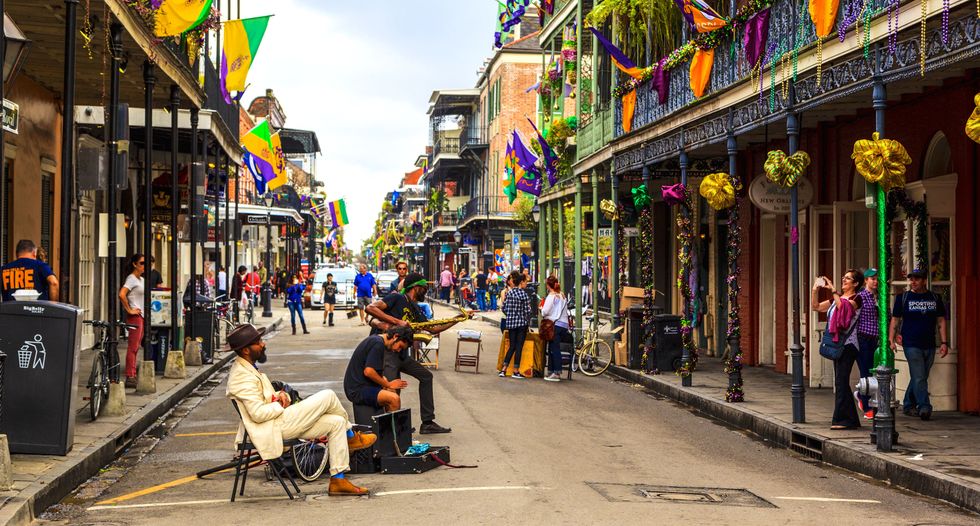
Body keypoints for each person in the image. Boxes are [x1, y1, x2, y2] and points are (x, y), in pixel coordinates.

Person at [224, 324, 374, 496]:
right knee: (328, 395)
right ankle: (351, 437)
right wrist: (280, 404)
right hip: (272, 427)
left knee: (337, 422)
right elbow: (257, 414)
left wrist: (280, 396)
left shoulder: (248, 368)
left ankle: (338, 480)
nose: (263, 344)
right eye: (258, 342)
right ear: (245, 350)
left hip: (277, 421)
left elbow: (263, 400)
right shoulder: (241, 377)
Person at [365, 273, 459, 434]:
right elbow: (370, 308)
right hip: (387, 351)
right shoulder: (396, 298)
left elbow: (433, 328)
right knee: (393, 388)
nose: (426, 292)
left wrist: (457, 318)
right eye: (424, 288)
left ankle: (427, 422)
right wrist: (396, 322)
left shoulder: (415, 307)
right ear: (416, 288)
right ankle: (394, 431)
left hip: (401, 353)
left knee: (425, 376)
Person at [889, 268, 949, 421]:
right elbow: (895, 319)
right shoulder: (903, 298)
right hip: (911, 343)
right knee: (919, 376)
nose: (913, 282)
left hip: (929, 343)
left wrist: (944, 342)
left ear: (924, 280)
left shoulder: (935, 298)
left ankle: (909, 404)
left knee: (919, 376)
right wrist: (892, 339)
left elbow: (941, 320)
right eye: (911, 279)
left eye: (917, 279)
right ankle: (924, 407)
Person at [812, 269, 864, 430]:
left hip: (849, 345)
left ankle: (843, 420)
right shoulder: (836, 299)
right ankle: (850, 420)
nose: (844, 280)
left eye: (847, 278)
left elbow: (844, 309)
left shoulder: (857, 298)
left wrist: (834, 290)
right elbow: (816, 307)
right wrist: (815, 290)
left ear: (855, 283)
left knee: (841, 381)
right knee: (841, 381)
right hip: (838, 343)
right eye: (844, 277)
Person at [343, 327, 413, 414]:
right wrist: (388, 384)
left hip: (361, 385)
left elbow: (373, 370)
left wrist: (385, 382)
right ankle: (393, 427)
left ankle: (386, 423)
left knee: (392, 391)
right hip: (357, 389)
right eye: (400, 346)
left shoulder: (376, 340)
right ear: (395, 336)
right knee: (394, 399)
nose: (398, 350)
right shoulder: (378, 344)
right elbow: (368, 371)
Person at [854, 268, 880, 418]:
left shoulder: (879, 297)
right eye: (872, 279)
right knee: (865, 372)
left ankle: (863, 396)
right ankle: (866, 406)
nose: (875, 281)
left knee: (875, 372)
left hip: (875, 340)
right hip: (863, 338)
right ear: (866, 281)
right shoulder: (861, 296)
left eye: (877, 279)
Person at [119, 254, 146, 389]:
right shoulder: (131, 279)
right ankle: (130, 375)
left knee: (136, 347)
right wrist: (129, 310)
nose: (144, 266)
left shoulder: (141, 279)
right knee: (133, 347)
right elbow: (122, 294)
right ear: (135, 264)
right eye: (142, 263)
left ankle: (133, 373)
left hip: (141, 316)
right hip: (135, 316)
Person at [500, 270, 532, 378]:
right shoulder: (523, 295)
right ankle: (516, 370)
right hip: (522, 324)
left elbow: (504, 308)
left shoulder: (509, 293)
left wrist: (510, 315)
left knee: (512, 346)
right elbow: (528, 311)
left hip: (511, 323)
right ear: (521, 282)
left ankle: (503, 369)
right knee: (519, 347)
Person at [541, 275, 571, 382]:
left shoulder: (551, 296)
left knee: (554, 349)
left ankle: (556, 373)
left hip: (555, 325)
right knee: (554, 348)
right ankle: (551, 371)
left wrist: (541, 309)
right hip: (563, 325)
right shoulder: (562, 295)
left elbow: (545, 311)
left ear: (548, 285)